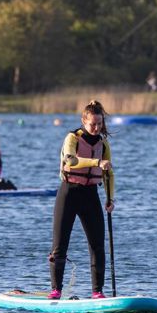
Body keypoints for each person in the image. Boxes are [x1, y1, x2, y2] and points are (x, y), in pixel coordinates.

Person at [49, 100, 114, 299]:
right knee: (60, 244)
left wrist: (111, 199)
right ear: (83, 122)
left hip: (90, 194)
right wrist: (97, 162)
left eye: (99, 124)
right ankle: (56, 290)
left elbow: (109, 173)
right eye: (92, 124)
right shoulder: (72, 138)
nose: (96, 128)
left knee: (97, 245)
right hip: (69, 192)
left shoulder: (103, 144)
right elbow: (70, 160)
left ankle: (97, 292)